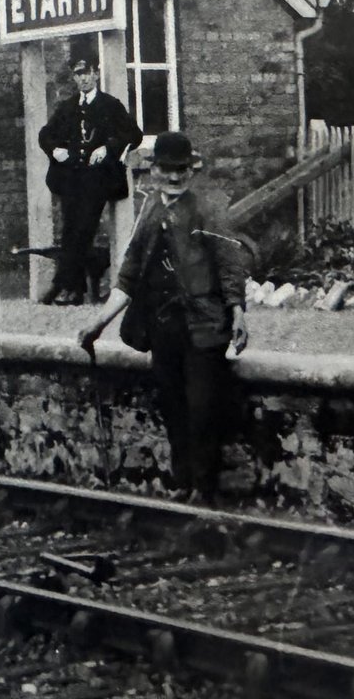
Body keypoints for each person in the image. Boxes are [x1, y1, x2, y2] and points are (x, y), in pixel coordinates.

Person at [77, 131, 249, 502]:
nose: (174, 177)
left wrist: (236, 311)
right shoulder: (150, 210)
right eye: (168, 170)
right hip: (163, 328)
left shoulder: (206, 209)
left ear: (192, 169)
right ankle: (184, 484)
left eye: (182, 170)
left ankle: (205, 490)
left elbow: (228, 263)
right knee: (173, 407)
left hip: (202, 326)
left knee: (203, 408)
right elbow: (129, 273)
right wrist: (98, 324)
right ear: (154, 170)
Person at [36, 55, 142, 305]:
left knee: (84, 229)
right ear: (74, 77)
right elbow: (45, 135)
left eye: (87, 73)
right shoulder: (68, 107)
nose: (82, 78)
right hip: (72, 178)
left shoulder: (110, 105)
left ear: (96, 74)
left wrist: (108, 148)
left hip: (98, 180)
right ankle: (73, 288)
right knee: (70, 229)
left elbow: (133, 134)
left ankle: (63, 286)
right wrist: (56, 150)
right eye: (77, 74)